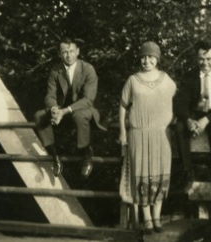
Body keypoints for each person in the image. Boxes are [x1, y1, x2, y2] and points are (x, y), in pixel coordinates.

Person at [118, 41, 176, 234]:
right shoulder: (133, 80)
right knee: (141, 175)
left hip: (160, 135)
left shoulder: (166, 80)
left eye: (151, 57)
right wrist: (123, 131)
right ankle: (147, 219)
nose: (146, 61)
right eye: (143, 57)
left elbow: (177, 100)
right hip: (138, 134)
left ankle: (157, 216)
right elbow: (123, 106)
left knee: (159, 174)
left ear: (157, 59)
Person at [34, 37, 105, 179]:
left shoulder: (88, 69)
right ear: (60, 54)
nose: (68, 55)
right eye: (64, 52)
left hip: (85, 110)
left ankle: (86, 155)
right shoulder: (56, 70)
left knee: (79, 115)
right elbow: (50, 95)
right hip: (62, 111)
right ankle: (55, 158)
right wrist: (54, 108)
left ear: (78, 51)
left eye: (71, 51)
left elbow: (88, 99)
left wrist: (64, 111)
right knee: (39, 115)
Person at [174, 41, 211, 192]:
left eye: (209, 59)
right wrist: (189, 120)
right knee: (180, 127)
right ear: (196, 59)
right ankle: (187, 173)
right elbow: (180, 103)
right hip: (195, 113)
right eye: (201, 59)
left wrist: (207, 120)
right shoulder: (189, 76)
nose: (205, 63)